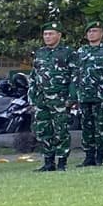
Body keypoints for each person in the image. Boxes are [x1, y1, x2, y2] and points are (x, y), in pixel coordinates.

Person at [29, 21, 76, 172]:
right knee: (43, 130)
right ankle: (48, 162)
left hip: (60, 98)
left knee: (61, 130)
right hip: (41, 99)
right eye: (45, 34)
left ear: (59, 35)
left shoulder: (68, 53)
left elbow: (75, 76)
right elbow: (34, 76)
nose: (47, 37)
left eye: (51, 34)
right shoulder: (40, 53)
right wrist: (32, 97)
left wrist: (72, 97)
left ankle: (62, 161)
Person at [73, 21, 103, 167]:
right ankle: (89, 156)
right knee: (86, 127)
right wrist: (75, 94)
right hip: (85, 95)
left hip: (102, 96)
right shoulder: (81, 51)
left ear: (101, 34)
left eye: (95, 31)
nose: (92, 34)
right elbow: (76, 73)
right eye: (89, 31)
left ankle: (100, 156)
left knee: (101, 127)